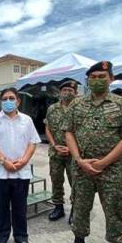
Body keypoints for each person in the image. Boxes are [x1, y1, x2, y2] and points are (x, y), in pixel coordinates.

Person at [62, 61, 122, 243]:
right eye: (93, 76)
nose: (96, 80)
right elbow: (69, 132)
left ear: (111, 78)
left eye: (101, 76)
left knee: (115, 210)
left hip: (112, 170)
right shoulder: (77, 105)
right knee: (80, 206)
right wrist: (79, 160)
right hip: (82, 167)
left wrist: (103, 163)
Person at [0, 87, 41, 243]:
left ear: (18, 101)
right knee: (0, 207)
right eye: (5, 98)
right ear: (1, 101)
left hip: (22, 172)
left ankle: (21, 237)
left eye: (11, 98)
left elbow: (33, 142)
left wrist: (24, 160)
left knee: (20, 207)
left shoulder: (27, 120)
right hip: (1, 172)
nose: (8, 101)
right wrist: (3, 161)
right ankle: (1, 238)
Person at [44, 79, 78, 221]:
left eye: (70, 91)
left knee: (75, 181)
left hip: (74, 154)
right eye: (65, 90)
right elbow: (48, 128)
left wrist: (72, 149)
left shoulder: (80, 109)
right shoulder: (52, 108)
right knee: (56, 180)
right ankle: (58, 207)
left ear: (76, 93)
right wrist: (54, 145)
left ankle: (75, 210)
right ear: (60, 92)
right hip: (56, 152)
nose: (67, 93)